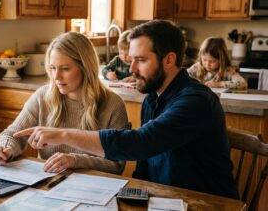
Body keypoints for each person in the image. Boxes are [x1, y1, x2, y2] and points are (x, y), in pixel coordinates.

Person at [14, 20, 239, 199]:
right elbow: (144, 165)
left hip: (207, 203)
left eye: (140, 60)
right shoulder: (152, 98)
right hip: (165, 200)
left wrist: (62, 135)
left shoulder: (195, 101)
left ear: (169, 60)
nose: (131, 68)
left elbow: (141, 142)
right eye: (131, 59)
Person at [0, 32, 129, 175]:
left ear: (85, 67)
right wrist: (5, 148)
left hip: (94, 188)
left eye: (65, 68)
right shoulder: (42, 96)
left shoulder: (113, 105)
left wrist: (74, 160)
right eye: (52, 68)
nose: (56, 76)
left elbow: (116, 164)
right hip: (48, 184)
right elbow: (12, 133)